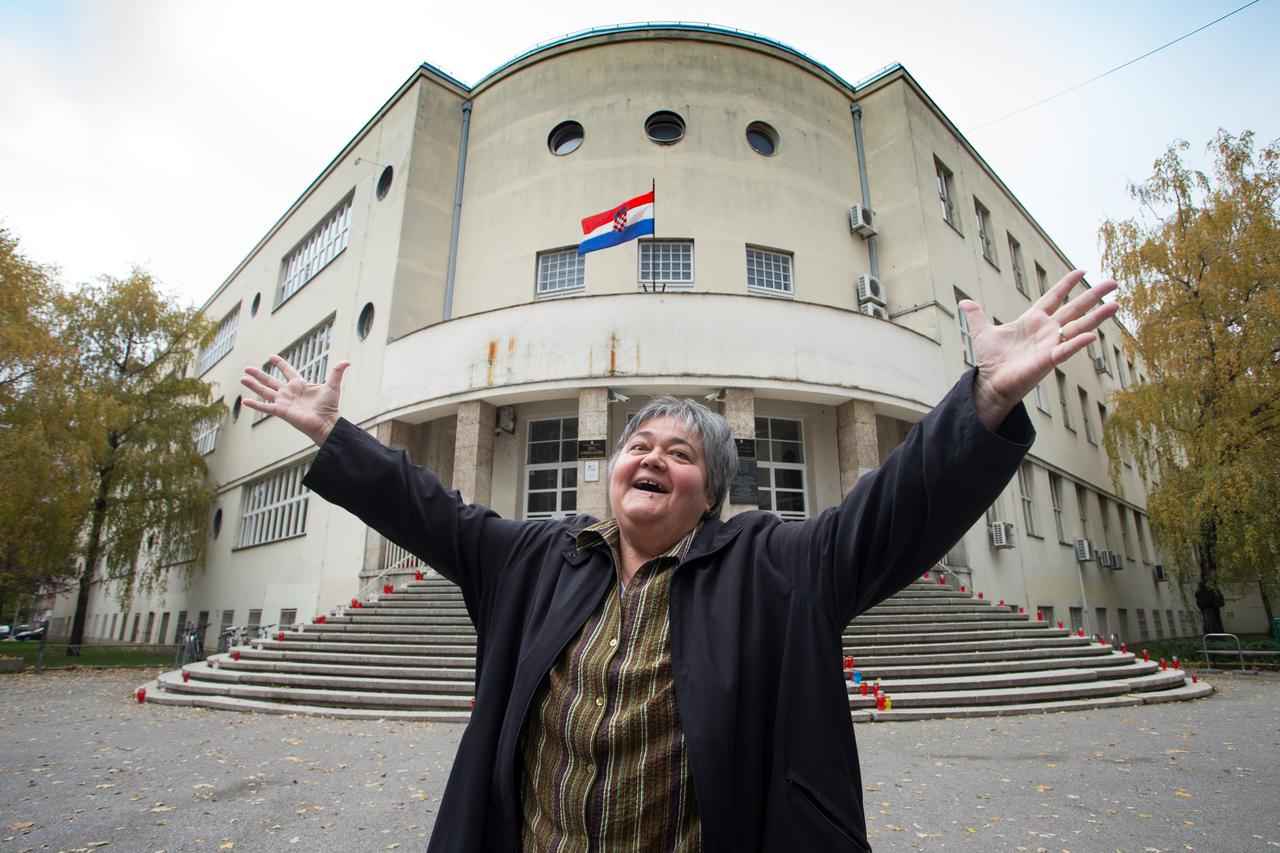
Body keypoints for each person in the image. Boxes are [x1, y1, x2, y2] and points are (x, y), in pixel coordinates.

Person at [241, 271, 1118, 852]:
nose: (653, 458)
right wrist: (333, 433)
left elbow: (893, 511)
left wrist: (987, 397)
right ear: (615, 470)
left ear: (711, 492)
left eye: (681, 453)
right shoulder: (535, 559)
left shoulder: (776, 565)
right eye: (640, 445)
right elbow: (423, 505)